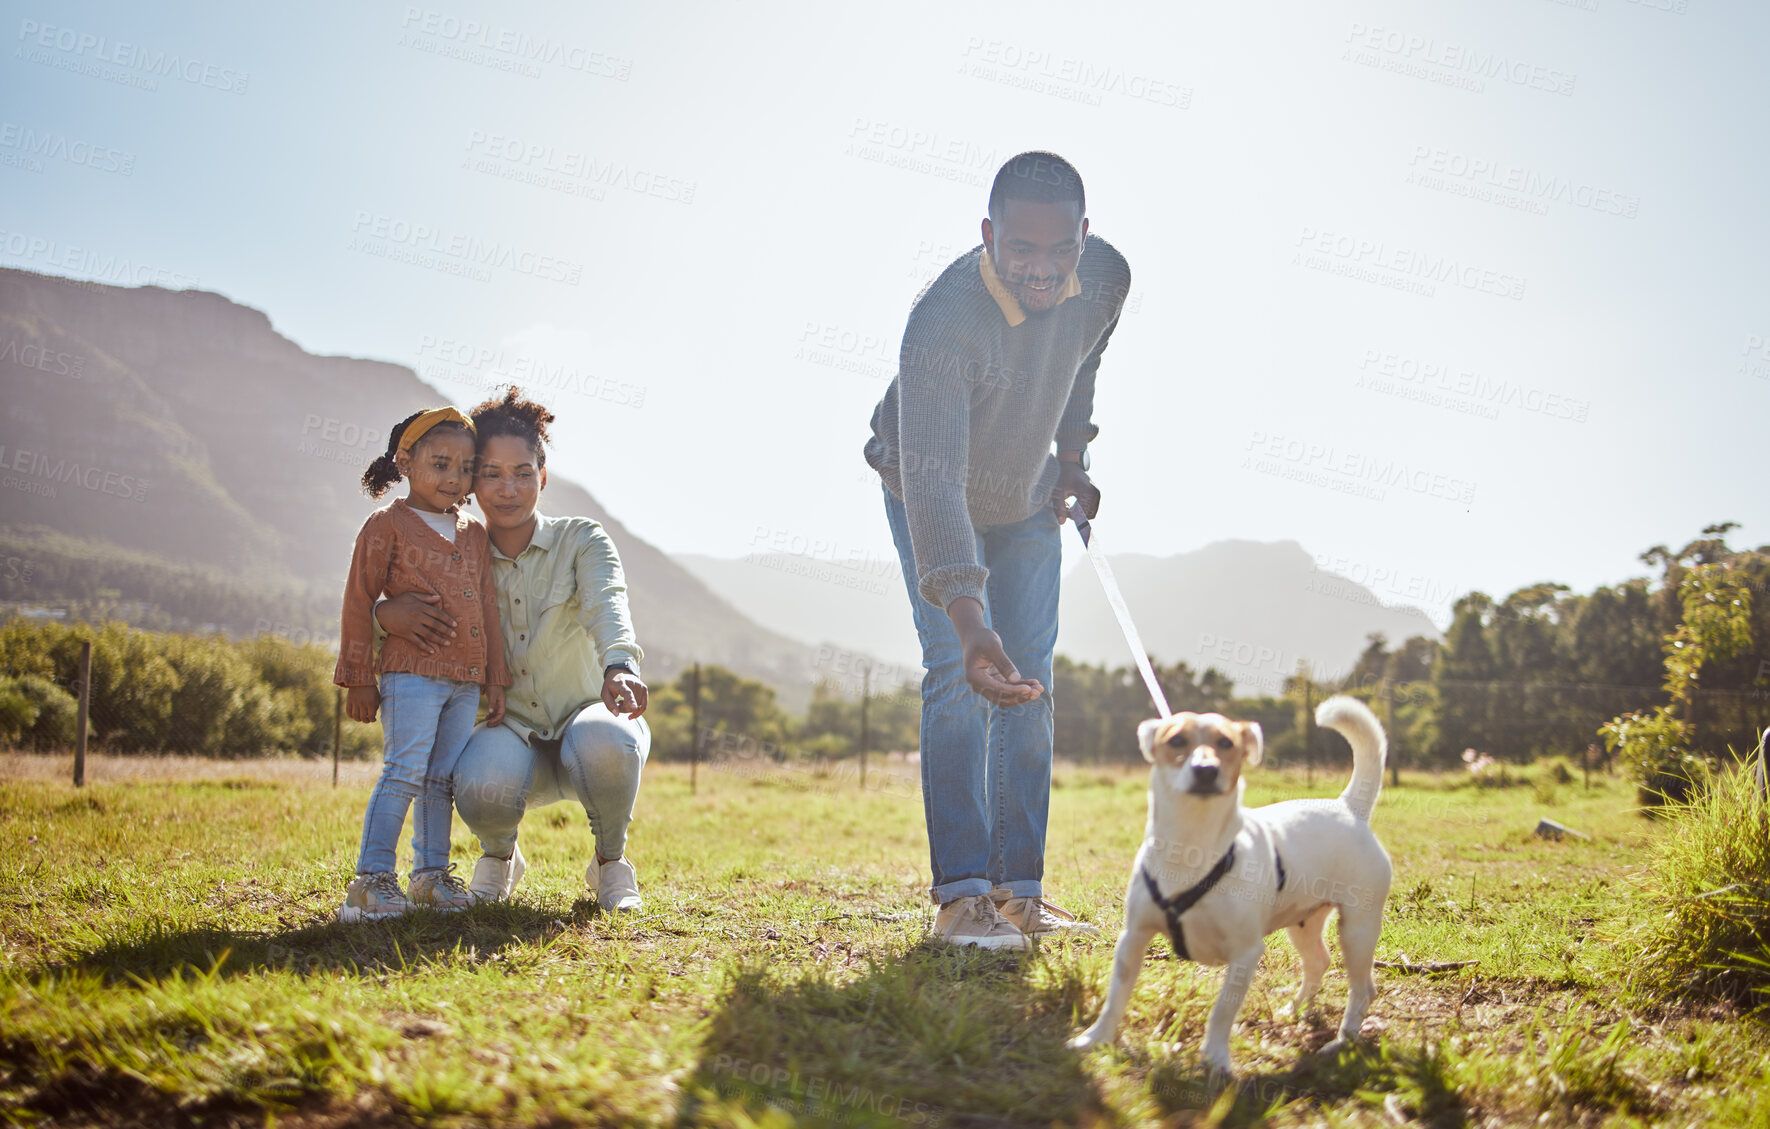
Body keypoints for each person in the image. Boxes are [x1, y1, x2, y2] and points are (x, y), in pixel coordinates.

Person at [863, 151, 1131, 949]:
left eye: (1060, 250)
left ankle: (1020, 891)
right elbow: (936, 484)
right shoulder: (943, 322)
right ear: (988, 235)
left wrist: (1074, 459)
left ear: (1084, 237)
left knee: (1031, 680)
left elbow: (1080, 366)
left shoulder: (1107, 277)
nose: (1041, 269)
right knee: (959, 671)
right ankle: (962, 898)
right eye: (1021, 249)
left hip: (1024, 495)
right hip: (925, 486)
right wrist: (970, 619)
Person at [374, 387, 651, 912]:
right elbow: (382, 597)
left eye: (522, 473)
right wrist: (383, 616)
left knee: (605, 744)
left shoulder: (582, 539)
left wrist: (620, 666)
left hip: (591, 717)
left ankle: (610, 864)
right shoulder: (451, 549)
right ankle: (500, 857)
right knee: (478, 782)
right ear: (470, 480)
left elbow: (608, 604)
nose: (508, 489)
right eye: (492, 474)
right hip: (510, 730)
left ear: (542, 477)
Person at [334, 405, 509, 921]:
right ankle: (371, 880)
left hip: (464, 682)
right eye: (440, 464)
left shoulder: (474, 533)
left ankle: (431, 877)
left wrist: (494, 678)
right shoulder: (387, 524)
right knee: (405, 771)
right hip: (411, 675)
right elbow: (358, 600)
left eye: (464, 467)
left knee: (442, 778)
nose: (454, 478)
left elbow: (488, 607)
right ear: (405, 462)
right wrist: (359, 679)